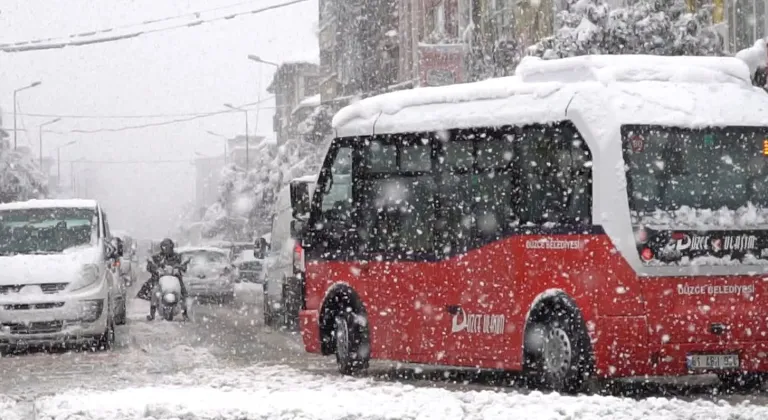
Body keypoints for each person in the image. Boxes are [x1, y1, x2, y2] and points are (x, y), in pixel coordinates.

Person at [138, 238, 190, 321]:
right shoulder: (157, 257)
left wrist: (181, 267)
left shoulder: (177, 256)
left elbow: (184, 266)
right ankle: (152, 314)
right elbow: (150, 266)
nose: (165, 249)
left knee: (183, 294)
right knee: (155, 291)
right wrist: (154, 269)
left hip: (175, 279)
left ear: (171, 247)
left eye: (167, 247)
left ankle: (185, 314)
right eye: (163, 247)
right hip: (160, 279)